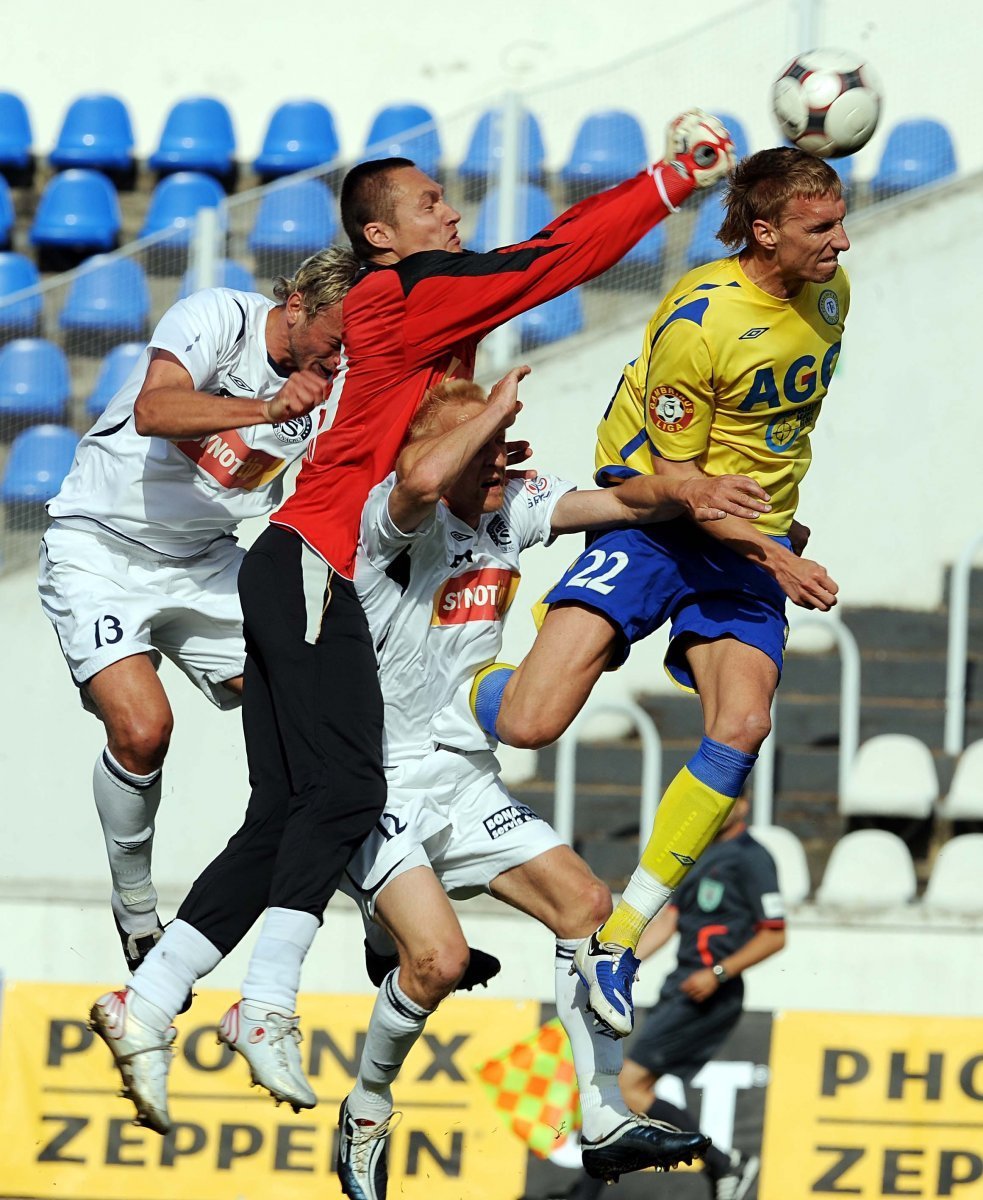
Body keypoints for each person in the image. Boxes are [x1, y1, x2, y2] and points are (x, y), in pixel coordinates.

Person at [86, 110, 737, 1137]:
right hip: (314, 560)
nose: (452, 209)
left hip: (296, 564)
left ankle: (146, 1001)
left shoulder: (412, 310)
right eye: (430, 201)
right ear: (378, 236)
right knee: (346, 789)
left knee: (284, 814)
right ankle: (263, 1005)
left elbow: (519, 263)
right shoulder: (410, 291)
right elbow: (545, 259)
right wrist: (667, 184)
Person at [335, 368, 770, 1199]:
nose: (503, 456)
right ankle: (366, 1108)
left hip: (463, 774)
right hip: (377, 779)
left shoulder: (510, 502)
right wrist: (482, 419)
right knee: (438, 962)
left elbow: (627, 504)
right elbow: (424, 476)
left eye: (504, 443)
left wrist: (699, 490)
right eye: (487, 445)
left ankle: (601, 1116)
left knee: (587, 906)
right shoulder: (391, 518)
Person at [469, 147, 847, 1037]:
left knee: (742, 725)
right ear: (764, 232)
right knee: (528, 723)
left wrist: (772, 535)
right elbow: (682, 485)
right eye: (818, 227)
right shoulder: (698, 319)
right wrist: (776, 556)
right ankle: (451, 685)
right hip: (653, 516)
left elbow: (770, 442)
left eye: (838, 221)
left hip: (746, 542)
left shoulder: (830, 293)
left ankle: (622, 938)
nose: (840, 242)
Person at [39, 248, 357, 973]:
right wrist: (266, 407)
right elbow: (155, 409)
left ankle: (366, 900)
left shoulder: (334, 386)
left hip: (208, 559)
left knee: (314, 721)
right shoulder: (219, 316)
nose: (342, 358)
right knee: (145, 730)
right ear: (299, 304)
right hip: (101, 548)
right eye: (336, 340)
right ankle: (136, 905)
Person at [555, 797, 785, 1200]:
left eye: (729, 802)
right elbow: (671, 920)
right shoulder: (704, 853)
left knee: (626, 1084)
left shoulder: (752, 858)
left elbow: (775, 934)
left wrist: (718, 973)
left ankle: (723, 1162)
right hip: (681, 986)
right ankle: (721, 1163)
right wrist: (619, 959)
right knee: (628, 1089)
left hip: (710, 992)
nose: (719, 809)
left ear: (744, 806)